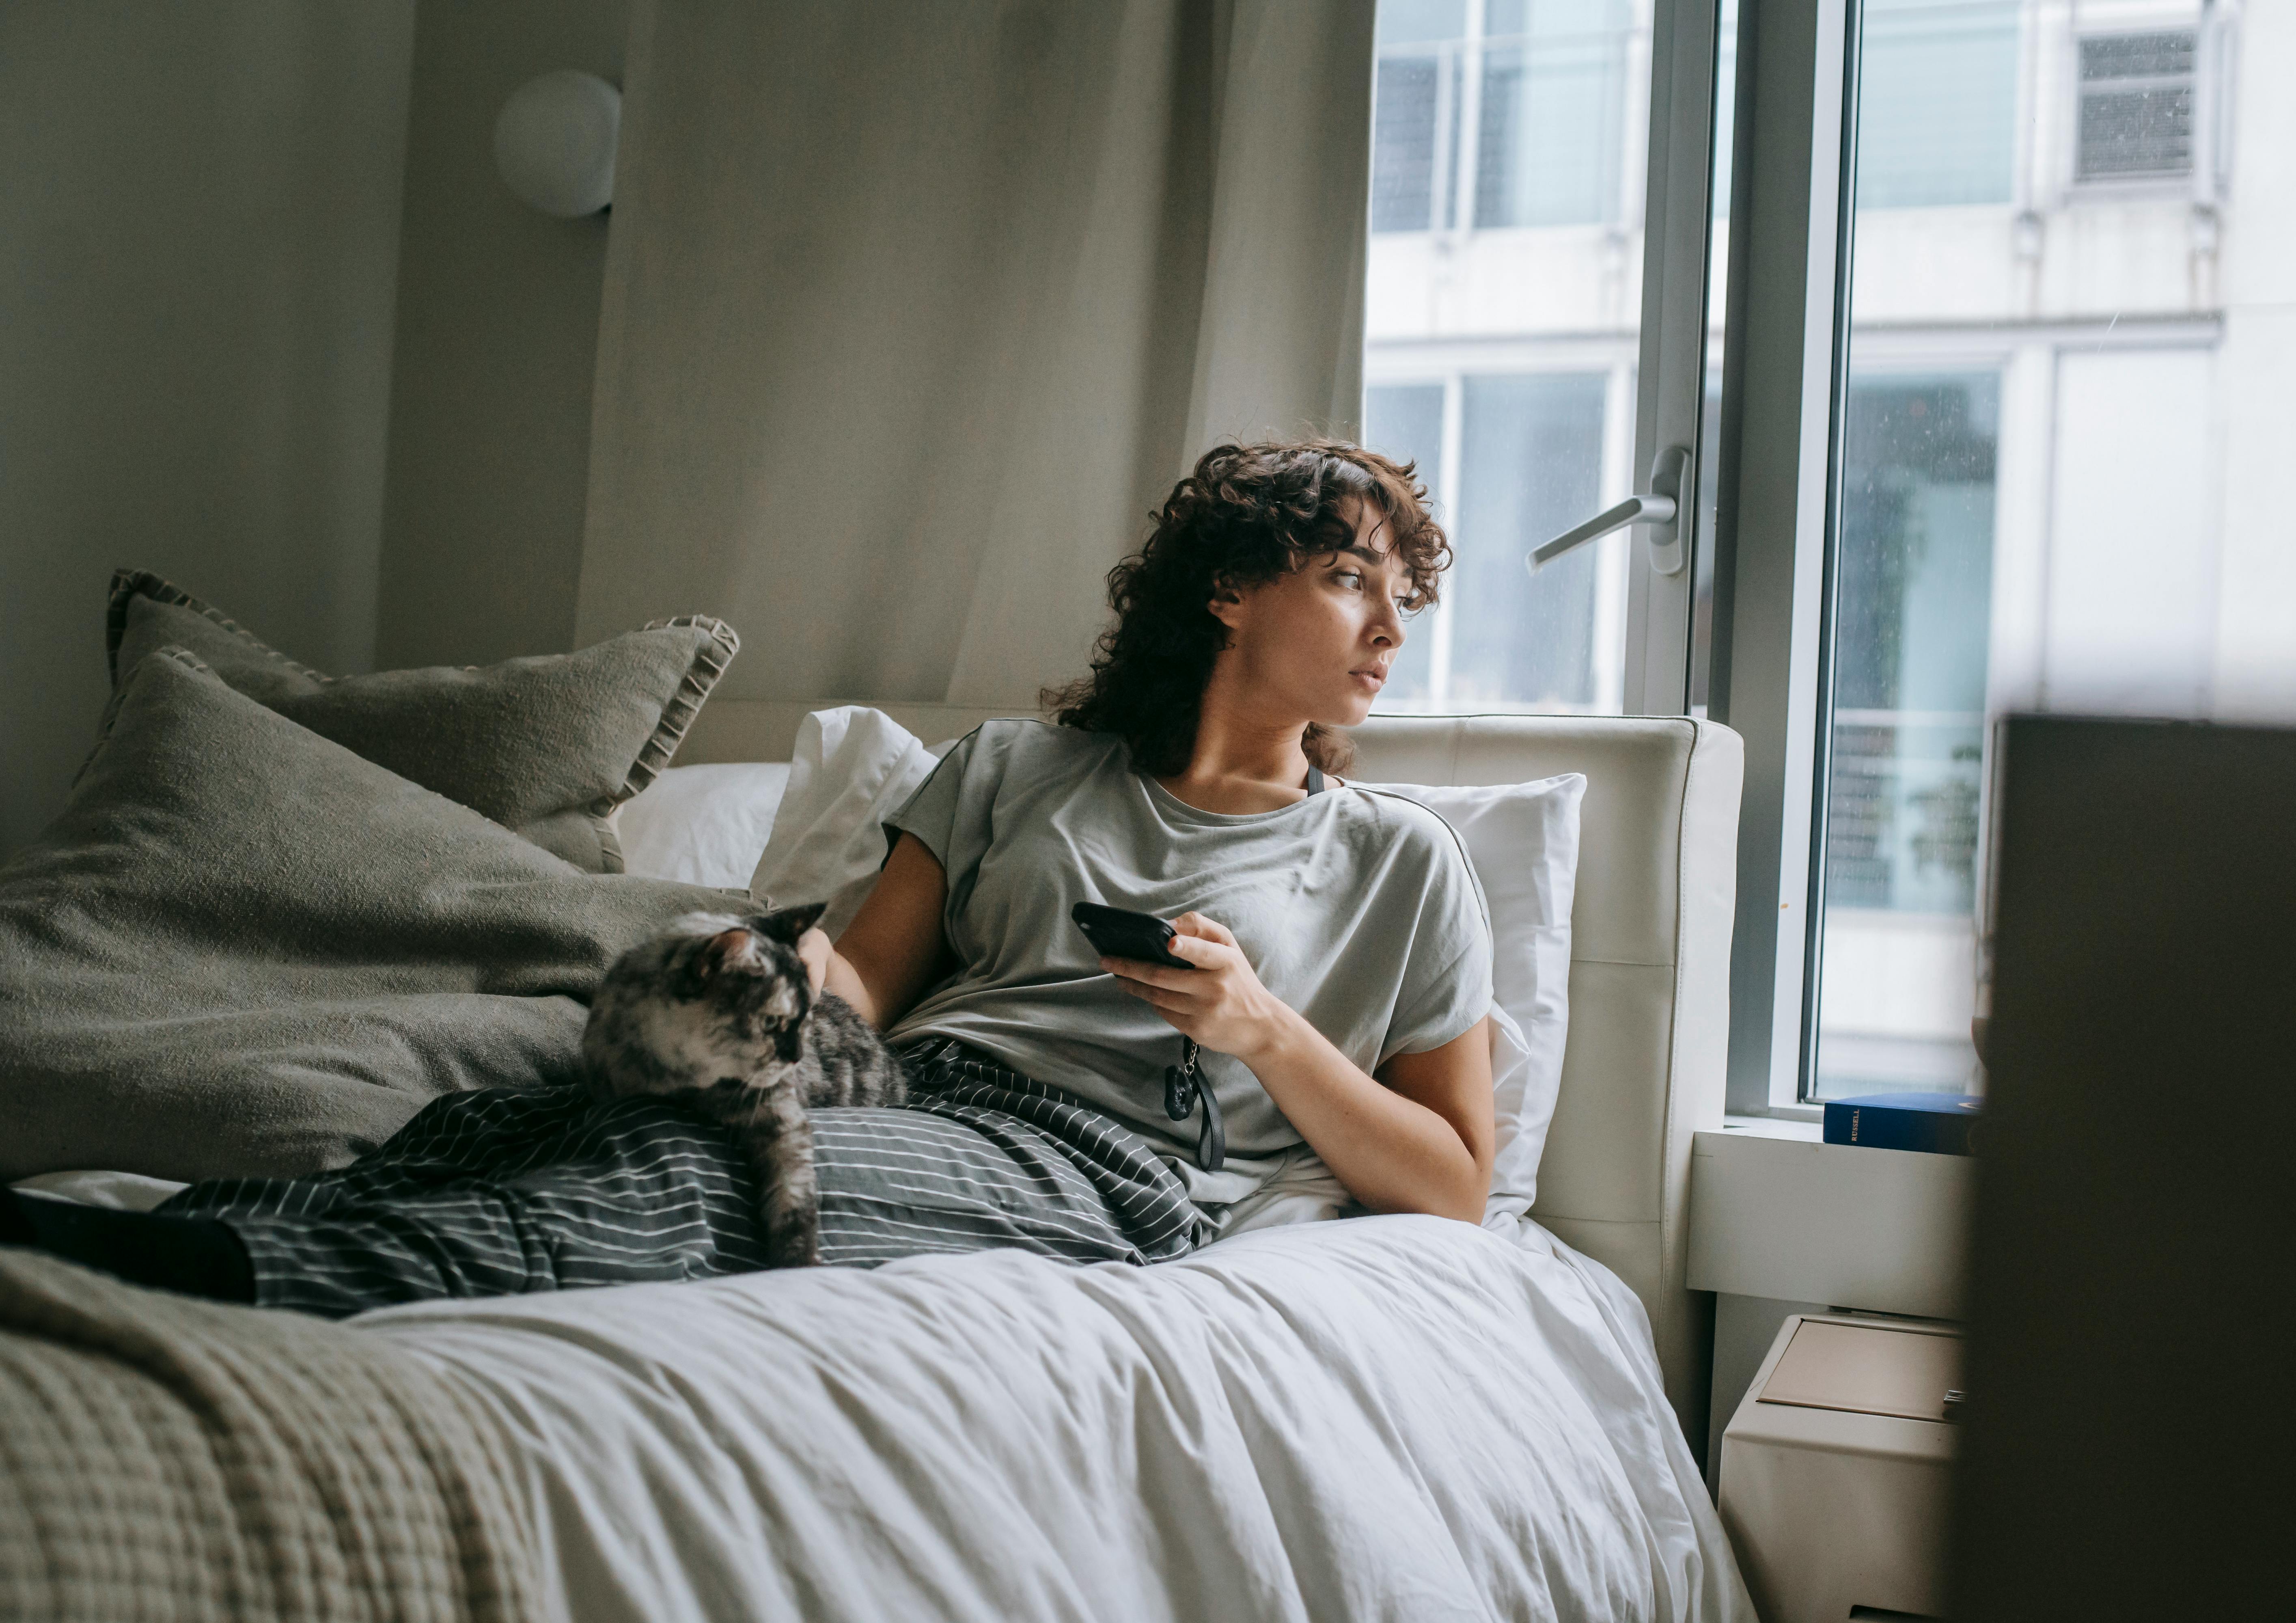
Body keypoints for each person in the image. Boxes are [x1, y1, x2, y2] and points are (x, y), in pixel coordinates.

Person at [6, 441, 1496, 1314]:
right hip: (915, 1088)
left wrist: (1261, 1033)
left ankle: (228, 1283)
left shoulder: (1400, 864)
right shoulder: (1014, 769)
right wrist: (768, 971)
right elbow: (867, 982)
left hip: (1106, 1162)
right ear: (1231, 590)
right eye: (1350, 578)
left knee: (704, 1176)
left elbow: (1456, 1185)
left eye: (1401, 595)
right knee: (494, 1119)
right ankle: (180, 1230)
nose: (1389, 627)